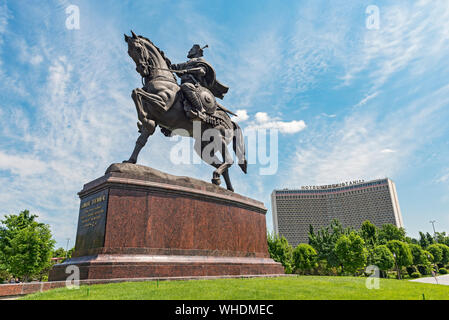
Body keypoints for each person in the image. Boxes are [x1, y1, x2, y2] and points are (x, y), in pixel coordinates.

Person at [170, 44, 229, 120]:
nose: (189, 51)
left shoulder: (200, 61)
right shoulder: (187, 63)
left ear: (197, 51)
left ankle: (201, 110)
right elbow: (174, 66)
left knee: (186, 86)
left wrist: (188, 71)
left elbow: (202, 71)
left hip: (195, 86)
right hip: (183, 84)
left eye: (191, 50)